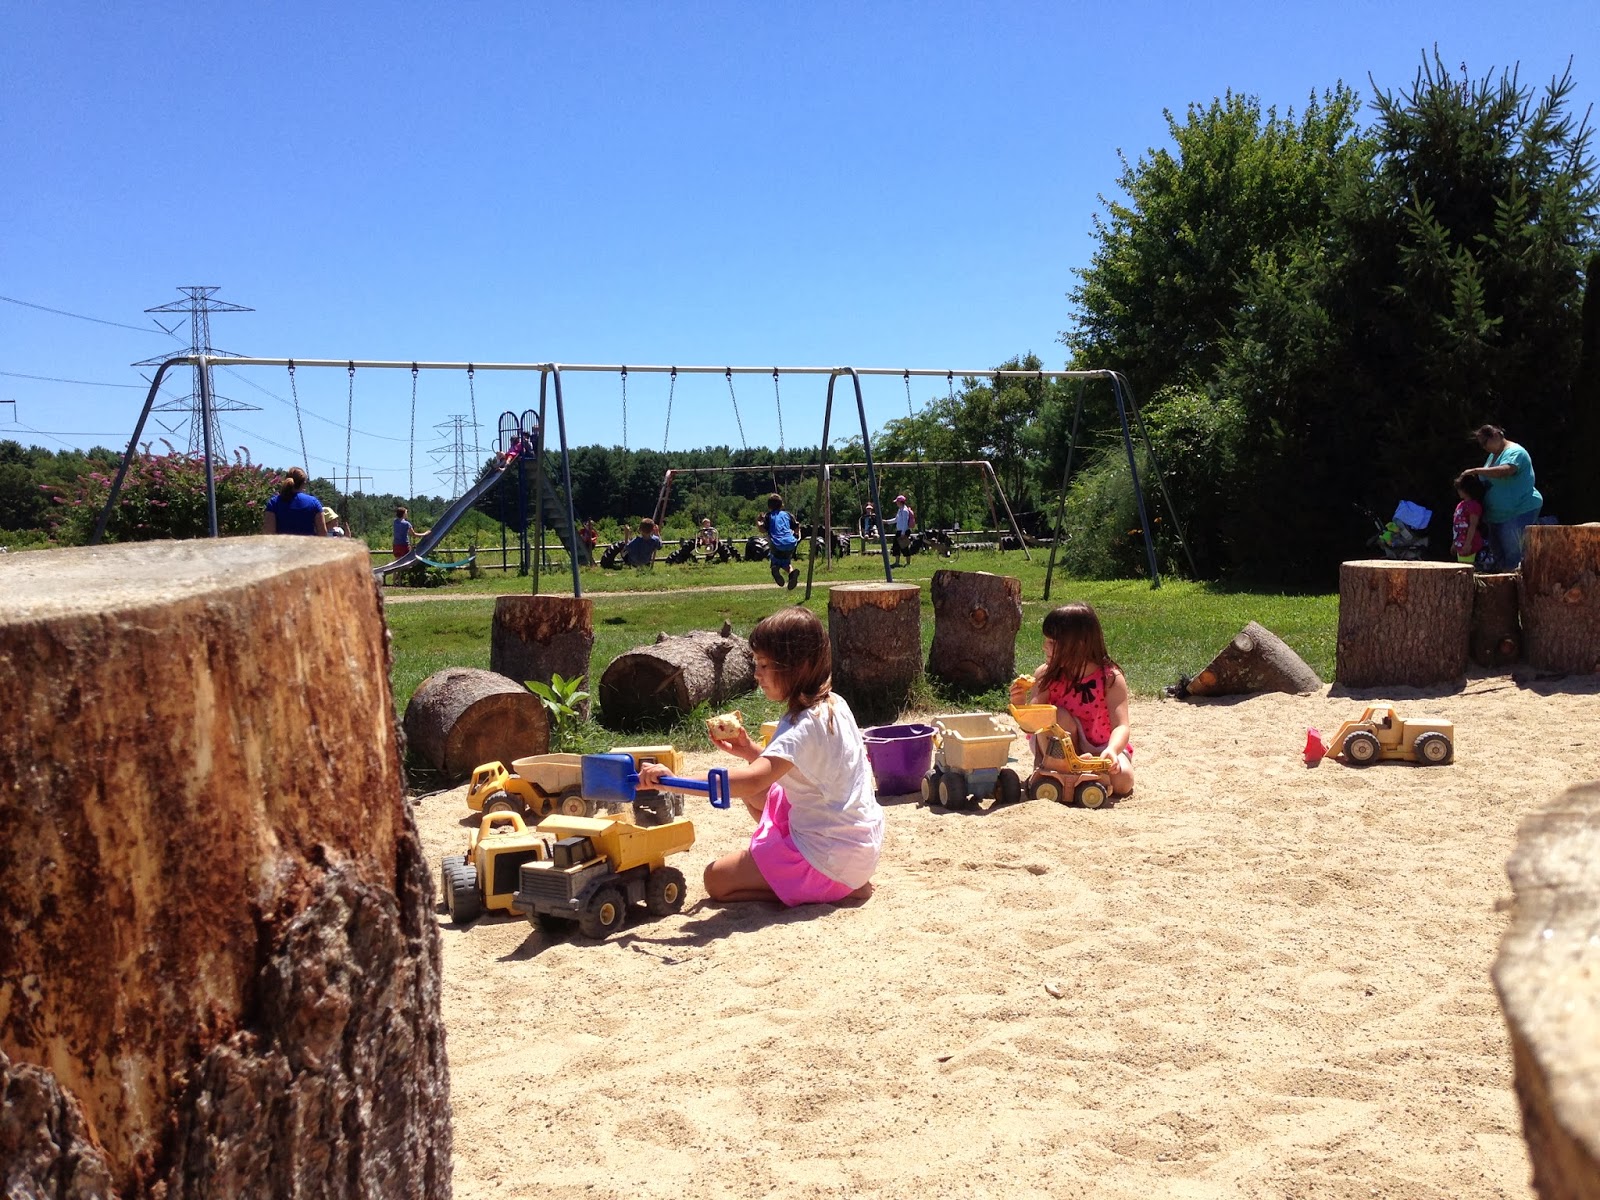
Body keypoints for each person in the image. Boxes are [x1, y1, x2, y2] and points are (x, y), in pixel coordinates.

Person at [638, 606, 883, 906]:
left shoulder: (800, 726)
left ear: (801, 666)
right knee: (762, 796)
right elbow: (799, 767)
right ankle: (837, 882)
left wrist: (672, 781)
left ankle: (834, 888)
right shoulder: (834, 704)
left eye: (766, 665)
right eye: (757, 664)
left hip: (830, 858)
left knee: (716, 880)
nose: (757, 674)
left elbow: (753, 780)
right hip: (859, 844)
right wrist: (750, 750)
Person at [1008, 602, 1134, 797]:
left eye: (1052, 643)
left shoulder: (1110, 678)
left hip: (1100, 746)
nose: (1044, 647)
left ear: (1079, 645)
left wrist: (1112, 749)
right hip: (1057, 747)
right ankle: (1064, 769)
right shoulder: (1046, 675)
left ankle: (1080, 772)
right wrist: (1019, 702)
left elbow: (1121, 726)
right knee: (1054, 714)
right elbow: (1032, 726)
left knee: (1124, 782)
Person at [1462, 425, 1542, 571]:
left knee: (1514, 558)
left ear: (1497, 435)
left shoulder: (1515, 452)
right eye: (1481, 444)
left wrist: (1476, 470)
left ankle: (1518, 592)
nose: (1484, 447)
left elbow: (1506, 471)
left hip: (1517, 512)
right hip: (1496, 517)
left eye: (1485, 442)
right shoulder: (1493, 455)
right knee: (1499, 559)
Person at [262, 468, 326, 536]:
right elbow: (323, 533)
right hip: (307, 545)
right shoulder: (314, 503)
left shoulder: (274, 503)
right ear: (304, 483)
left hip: (282, 546)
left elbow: (269, 533)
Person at [758, 492, 800, 589]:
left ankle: (775, 569)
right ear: (782, 505)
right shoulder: (788, 515)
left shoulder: (768, 516)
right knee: (786, 561)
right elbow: (797, 526)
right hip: (791, 543)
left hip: (777, 544)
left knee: (775, 558)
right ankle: (792, 573)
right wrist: (796, 535)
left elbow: (762, 529)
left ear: (769, 506)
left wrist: (758, 521)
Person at [1451, 473, 1486, 567]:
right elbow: (1456, 526)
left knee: (1466, 569)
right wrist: (1454, 543)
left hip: (1469, 544)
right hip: (1460, 543)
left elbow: (1472, 525)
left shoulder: (1474, 505)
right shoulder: (1460, 505)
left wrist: (1468, 543)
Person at [891, 494, 916, 566]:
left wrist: (903, 533)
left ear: (900, 502)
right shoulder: (900, 510)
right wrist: (886, 521)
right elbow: (896, 519)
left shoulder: (905, 511)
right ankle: (897, 562)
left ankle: (908, 562)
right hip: (899, 531)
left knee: (904, 547)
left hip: (904, 531)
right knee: (896, 546)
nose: (896, 503)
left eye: (897, 502)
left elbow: (905, 522)